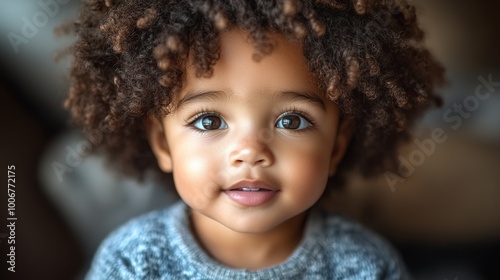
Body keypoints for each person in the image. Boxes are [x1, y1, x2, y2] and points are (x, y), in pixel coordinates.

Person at [64, 0, 444, 278]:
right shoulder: (133, 261)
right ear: (162, 144)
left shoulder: (364, 265)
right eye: (209, 121)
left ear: (336, 146)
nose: (250, 152)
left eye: (292, 120)